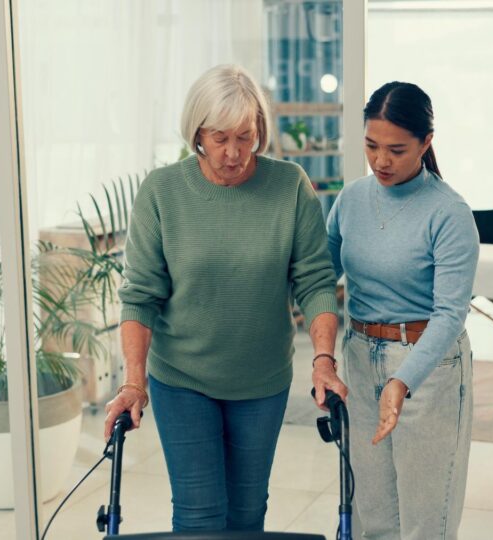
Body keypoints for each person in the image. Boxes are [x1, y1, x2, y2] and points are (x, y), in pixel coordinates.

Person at [105, 64, 348, 532]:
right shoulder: (163, 191)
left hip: (262, 381)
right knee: (199, 517)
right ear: (197, 132)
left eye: (245, 137)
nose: (234, 153)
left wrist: (323, 361)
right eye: (220, 138)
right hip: (182, 380)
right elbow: (139, 296)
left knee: (247, 514)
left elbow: (316, 281)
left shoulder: (289, 185)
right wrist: (134, 381)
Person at [326, 81, 479, 539]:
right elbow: (318, 275)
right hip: (359, 357)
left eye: (396, 150)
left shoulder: (448, 213)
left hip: (427, 367)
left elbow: (450, 314)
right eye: (371, 145)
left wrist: (401, 380)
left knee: (424, 523)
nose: (381, 161)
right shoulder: (351, 199)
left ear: (426, 142)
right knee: (374, 517)